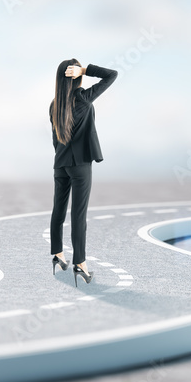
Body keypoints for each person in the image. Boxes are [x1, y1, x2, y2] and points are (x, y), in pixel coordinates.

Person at [48, 59, 118, 286]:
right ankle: (80, 264)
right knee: (78, 216)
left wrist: (62, 157)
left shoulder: (53, 104)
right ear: (76, 76)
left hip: (60, 163)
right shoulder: (83, 98)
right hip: (80, 165)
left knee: (58, 210)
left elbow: (54, 139)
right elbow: (112, 75)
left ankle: (57, 255)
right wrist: (86, 70)